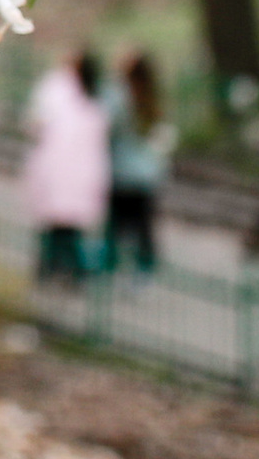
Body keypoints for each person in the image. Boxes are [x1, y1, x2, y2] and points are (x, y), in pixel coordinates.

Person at [23, 49, 108, 285]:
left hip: (62, 172)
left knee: (59, 228)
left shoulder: (57, 90)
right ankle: (61, 270)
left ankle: (56, 269)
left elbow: (36, 123)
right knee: (65, 228)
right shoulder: (91, 99)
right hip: (71, 173)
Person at [103, 49, 171, 274]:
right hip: (147, 173)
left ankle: (114, 263)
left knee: (117, 224)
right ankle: (144, 266)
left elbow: (109, 125)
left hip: (122, 172)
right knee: (143, 225)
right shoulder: (152, 98)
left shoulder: (119, 96)